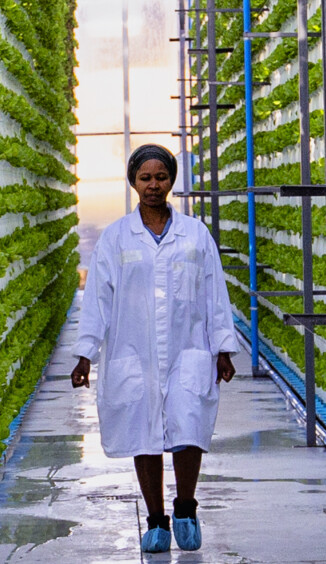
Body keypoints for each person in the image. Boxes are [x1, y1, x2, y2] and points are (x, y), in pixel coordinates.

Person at [63, 144, 244, 554]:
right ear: (133, 182)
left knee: (188, 427)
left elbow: (215, 292)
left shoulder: (195, 235)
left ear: (171, 181)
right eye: (145, 178)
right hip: (135, 350)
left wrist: (223, 347)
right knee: (143, 433)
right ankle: (157, 520)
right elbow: (97, 299)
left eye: (160, 177)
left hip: (188, 349)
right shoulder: (115, 238)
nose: (153, 185)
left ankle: (185, 506)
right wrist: (85, 353)